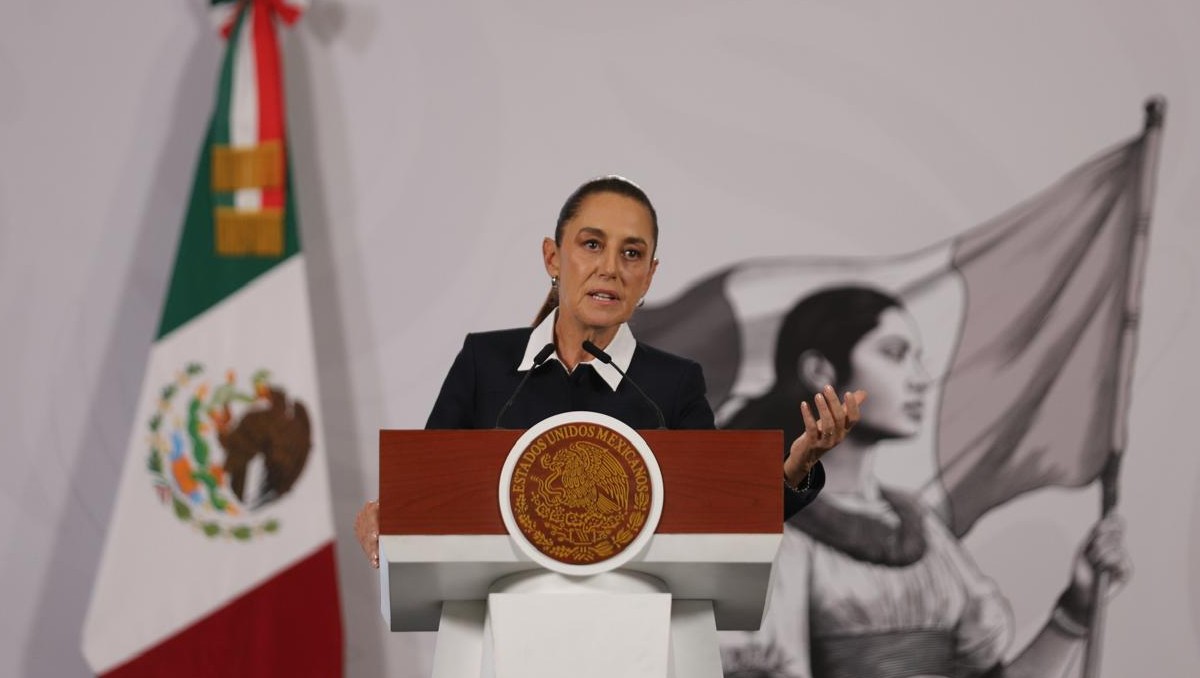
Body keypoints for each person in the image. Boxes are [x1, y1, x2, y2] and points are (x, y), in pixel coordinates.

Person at [353, 176, 867, 567]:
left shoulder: (672, 385)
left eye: (632, 253)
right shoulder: (485, 365)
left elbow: (723, 519)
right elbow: (424, 496)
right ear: (554, 258)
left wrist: (796, 465)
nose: (611, 268)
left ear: (649, 277)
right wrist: (385, 516)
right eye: (592, 244)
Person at [720, 286, 1131, 678]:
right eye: (894, 354)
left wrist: (1076, 609)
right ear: (820, 370)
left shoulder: (920, 527)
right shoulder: (768, 525)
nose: (919, 379)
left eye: (919, 359)